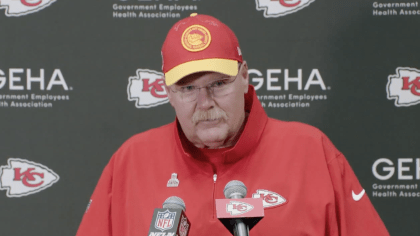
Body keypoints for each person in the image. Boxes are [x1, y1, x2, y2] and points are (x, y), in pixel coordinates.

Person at [76, 13, 390, 236]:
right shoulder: (131, 161)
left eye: (218, 83)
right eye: (188, 88)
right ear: (167, 93)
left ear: (244, 78)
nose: (205, 102)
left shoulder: (312, 151)